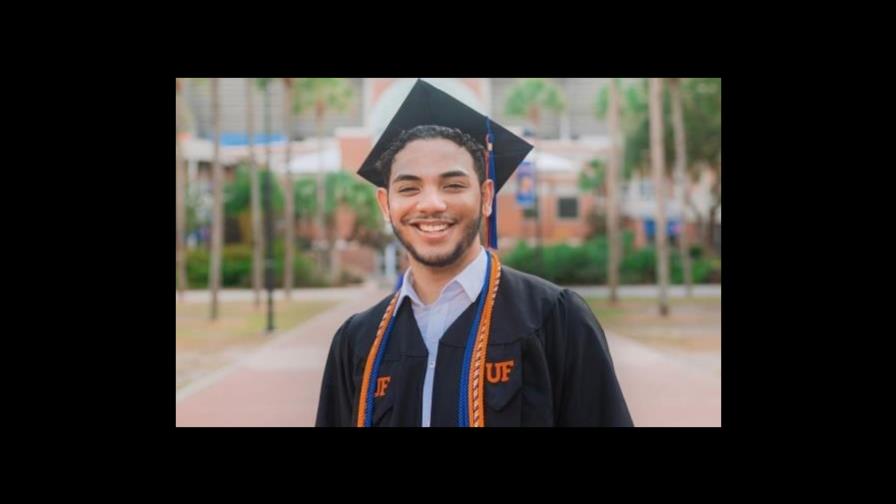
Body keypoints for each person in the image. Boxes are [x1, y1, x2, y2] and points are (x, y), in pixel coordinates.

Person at [316, 79, 632, 427]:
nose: (432, 204)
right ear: (385, 204)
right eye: (409, 187)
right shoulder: (358, 341)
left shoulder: (554, 320)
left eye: (453, 185)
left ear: (486, 196)